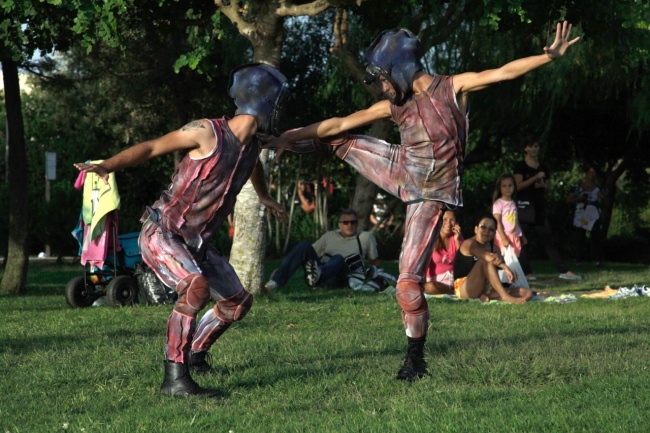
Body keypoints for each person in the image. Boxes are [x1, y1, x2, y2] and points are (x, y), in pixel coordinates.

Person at [265, 22, 579, 381]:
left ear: (399, 69)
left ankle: (415, 359)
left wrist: (546, 56)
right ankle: (281, 148)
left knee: (406, 285)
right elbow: (339, 121)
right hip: (401, 167)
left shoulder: (451, 87)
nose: (383, 86)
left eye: (384, 78)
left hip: (430, 194)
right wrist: (287, 139)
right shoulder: (394, 106)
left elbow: (503, 73)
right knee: (337, 136)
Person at [74, 63, 289, 398]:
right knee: (195, 286)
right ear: (261, 102)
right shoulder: (207, 132)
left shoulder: (254, 144)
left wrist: (264, 196)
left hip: (197, 243)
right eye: (278, 102)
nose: (281, 110)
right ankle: (175, 378)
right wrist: (107, 165)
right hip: (163, 232)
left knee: (236, 303)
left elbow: (252, 164)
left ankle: (196, 355)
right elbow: (152, 147)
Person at [513, 137, 581, 281]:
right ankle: (527, 273)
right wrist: (534, 178)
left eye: (536, 146)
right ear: (526, 148)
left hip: (539, 208)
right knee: (522, 241)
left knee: (548, 239)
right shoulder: (520, 166)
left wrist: (543, 184)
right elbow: (518, 186)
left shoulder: (543, 167)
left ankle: (564, 270)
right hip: (524, 207)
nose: (534, 149)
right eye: (531, 146)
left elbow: (548, 188)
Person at [264, 208, 379, 292]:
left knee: (338, 258)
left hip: (344, 275)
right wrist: (281, 269)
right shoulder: (329, 236)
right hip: (323, 269)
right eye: (345, 222)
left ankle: (318, 277)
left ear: (357, 223)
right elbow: (308, 254)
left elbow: (375, 263)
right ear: (340, 224)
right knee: (304, 245)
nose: (349, 225)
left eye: (353, 222)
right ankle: (274, 283)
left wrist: (379, 278)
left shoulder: (366, 237)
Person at [453, 215, 533, 303]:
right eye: (483, 227)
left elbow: (499, 260)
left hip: (486, 288)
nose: (487, 231)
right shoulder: (469, 244)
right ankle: (504, 296)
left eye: (491, 229)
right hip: (465, 288)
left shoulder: (494, 248)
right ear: (476, 229)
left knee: (527, 293)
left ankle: (486, 296)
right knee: (484, 261)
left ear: (494, 233)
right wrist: (504, 267)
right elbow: (486, 257)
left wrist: (500, 260)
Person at [567, 164, 603, 267]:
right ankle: (578, 259)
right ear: (586, 174)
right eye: (590, 172)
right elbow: (568, 200)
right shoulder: (578, 186)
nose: (592, 175)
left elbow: (603, 201)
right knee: (580, 237)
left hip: (593, 214)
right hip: (581, 213)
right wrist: (578, 199)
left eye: (594, 173)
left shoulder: (597, 188)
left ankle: (597, 259)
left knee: (595, 237)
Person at [423, 209, 462, 295]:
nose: (448, 223)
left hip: (454, 280)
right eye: (445, 219)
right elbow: (423, 264)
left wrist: (457, 240)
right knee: (429, 287)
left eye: (452, 220)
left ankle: (456, 292)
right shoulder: (431, 238)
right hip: (436, 283)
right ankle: (454, 294)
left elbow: (462, 262)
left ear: (456, 223)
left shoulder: (457, 237)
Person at [492, 173, 527, 257]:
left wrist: (522, 236)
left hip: (514, 236)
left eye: (510, 185)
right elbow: (498, 222)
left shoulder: (513, 203)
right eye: (504, 186)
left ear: (514, 186)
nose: (507, 188)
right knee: (505, 260)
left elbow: (515, 220)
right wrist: (504, 239)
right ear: (499, 188)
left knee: (514, 260)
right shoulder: (498, 204)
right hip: (503, 236)